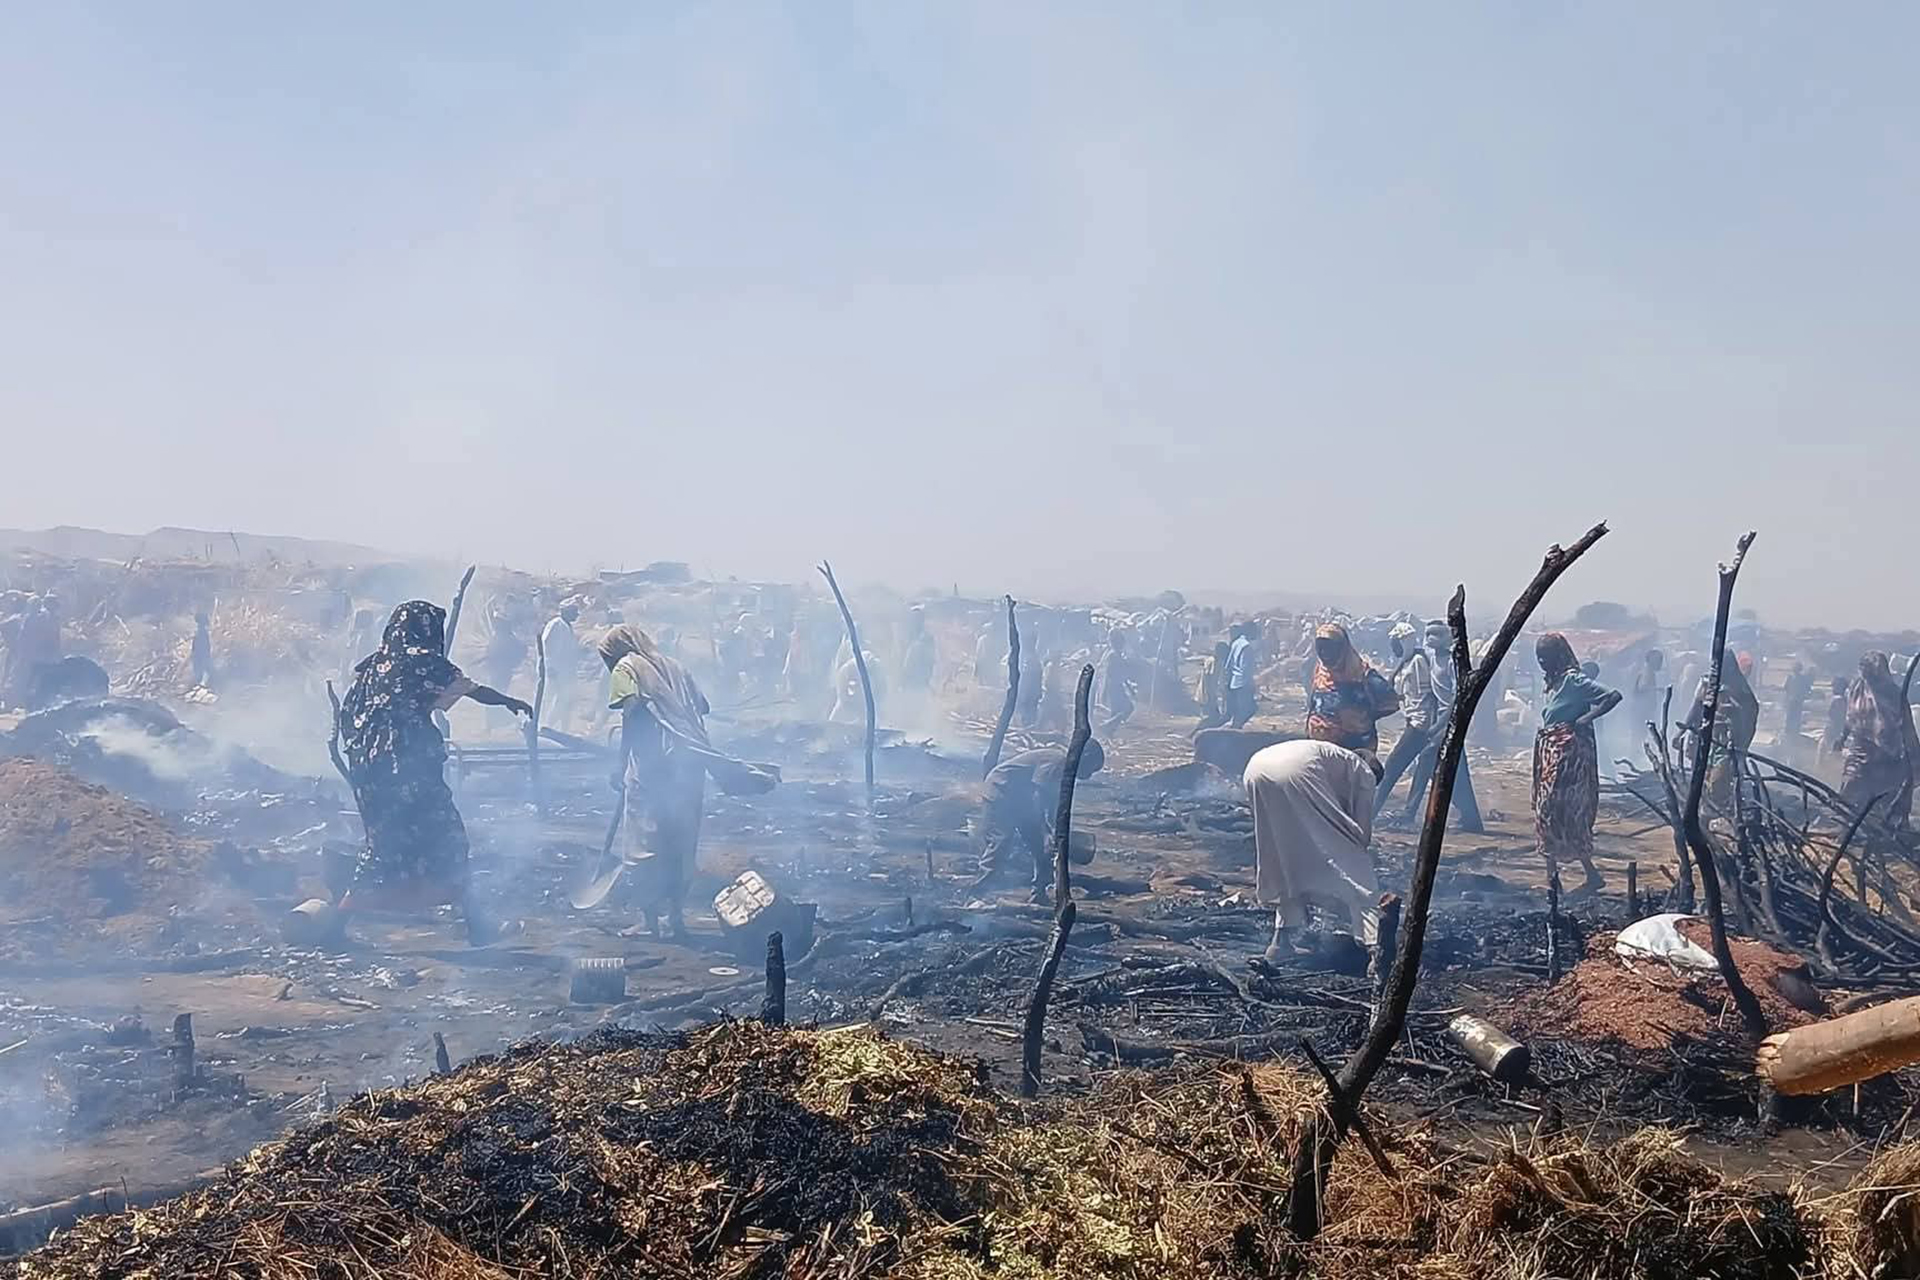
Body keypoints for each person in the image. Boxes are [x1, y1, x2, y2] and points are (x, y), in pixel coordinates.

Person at [336, 602, 531, 943]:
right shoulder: (421, 661)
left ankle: (335, 923)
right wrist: (510, 702)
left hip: (370, 774)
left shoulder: (370, 667)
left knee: (384, 844)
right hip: (410, 771)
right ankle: (479, 928)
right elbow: (471, 689)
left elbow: (348, 717)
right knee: (448, 838)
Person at [599, 624, 718, 938]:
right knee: (680, 840)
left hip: (653, 768)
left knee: (644, 844)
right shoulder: (675, 666)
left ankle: (649, 921)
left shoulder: (627, 667)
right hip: (690, 763)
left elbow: (631, 713)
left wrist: (619, 763)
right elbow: (703, 705)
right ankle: (676, 917)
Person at [1244, 739, 1384, 963]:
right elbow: (1360, 835)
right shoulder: (1365, 771)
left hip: (1255, 768)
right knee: (1356, 865)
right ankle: (1374, 946)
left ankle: (1280, 944)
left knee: (1284, 857)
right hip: (1296, 771)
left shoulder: (1334, 759)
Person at [1531, 632, 1621, 895]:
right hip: (1551, 751)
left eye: (1546, 657)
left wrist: (1585, 719)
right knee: (1544, 809)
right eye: (1539, 658)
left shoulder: (1574, 680)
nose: (1542, 662)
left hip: (1570, 757)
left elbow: (1612, 696)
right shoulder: (1553, 682)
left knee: (1565, 810)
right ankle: (1554, 877)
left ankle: (1582, 875)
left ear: (1558, 656)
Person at [973, 740, 1106, 903]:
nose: (1089, 774)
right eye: (1091, 768)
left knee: (1041, 849)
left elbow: (1051, 803)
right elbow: (1038, 797)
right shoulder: (1057, 762)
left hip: (1021, 801)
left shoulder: (1064, 772)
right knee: (1001, 842)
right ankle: (977, 893)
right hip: (1000, 793)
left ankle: (1039, 894)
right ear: (1083, 757)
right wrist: (1045, 833)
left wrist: (1053, 832)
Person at [1404, 619, 1486, 832]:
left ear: (1447, 638)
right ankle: (1471, 819)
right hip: (1439, 720)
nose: (1432, 638)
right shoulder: (1431, 657)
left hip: (1451, 721)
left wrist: (1440, 725)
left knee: (1425, 760)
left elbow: (1456, 698)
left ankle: (1409, 812)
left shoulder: (1452, 662)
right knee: (1458, 772)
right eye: (1429, 633)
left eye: (1437, 634)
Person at [1835, 651, 1919, 828]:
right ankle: (1845, 826)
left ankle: (1885, 831)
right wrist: (1842, 738)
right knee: (1851, 785)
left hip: (1888, 752)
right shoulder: (1857, 688)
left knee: (1887, 793)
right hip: (1860, 748)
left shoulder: (1893, 693)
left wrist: (1913, 753)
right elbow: (1850, 717)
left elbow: (1906, 725)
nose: (1867, 675)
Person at [1372, 623, 1435, 818]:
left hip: (1420, 723)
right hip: (1415, 721)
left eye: (1396, 642)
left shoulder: (1417, 662)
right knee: (1426, 771)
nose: (1394, 647)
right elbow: (1407, 694)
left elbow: (1426, 694)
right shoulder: (1408, 661)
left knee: (1392, 766)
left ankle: (1371, 812)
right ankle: (1408, 813)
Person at [1305, 623, 1399, 753]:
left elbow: (1391, 702)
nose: (1324, 652)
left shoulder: (1363, 675)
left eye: (1329, 648)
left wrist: (1360, 718)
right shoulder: (1320, 672)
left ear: (1342, 648)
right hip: (1321, 749)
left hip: (1356, 748)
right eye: (1320, 647)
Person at [0, 594, 62, 710]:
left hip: (37, 656)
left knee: (23, 678)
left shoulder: (46, 618)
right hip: (33, 656)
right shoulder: (40, 618)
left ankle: (18, 703)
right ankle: (12, 703)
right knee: (20, 678)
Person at [538, 601, 582, 731]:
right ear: (566, 611)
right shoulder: (556, 624)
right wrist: (549, 666)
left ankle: (560, 727)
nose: (577, 615)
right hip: (555, 670)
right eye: (574, 612)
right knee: (551, 697)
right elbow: (546, 646)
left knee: (565, 698)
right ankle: (545, 725)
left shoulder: (566, 626)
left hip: (566, 670)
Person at [1100, 629, 1137, 731]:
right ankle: (1107, 728)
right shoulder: (1112, 656)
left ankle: (1109, 728)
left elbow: (1122, 676)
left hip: (1117, 687)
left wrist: (1130, 689)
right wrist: (1105, 690)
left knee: (1123, 709)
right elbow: (1109, 675)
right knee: (1124, 708)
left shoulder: (1117, 656)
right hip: (1114, 687)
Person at [1226, 622, 1260, 727]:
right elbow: (1246, 669)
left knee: (1239, 711)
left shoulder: (1236, 643)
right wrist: (1252, 685)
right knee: (1248, 709)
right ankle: (1234, 729)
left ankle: (1235, 728)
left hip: (1234, 683)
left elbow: (1228, 664)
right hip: (1243, 684)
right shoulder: (1247, 646)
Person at [1781, 662, 1813, 763]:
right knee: (1794, 717)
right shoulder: (1795, 678)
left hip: (1795, 701)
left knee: (1793, 717)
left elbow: (1786, 689)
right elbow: (1787, 688)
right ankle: (1791, 731)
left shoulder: (1795, 678)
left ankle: (1791, 731)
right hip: (1795, 701)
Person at [1822, 676, 1852, 764]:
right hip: (1839, 727)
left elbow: (1830, 713)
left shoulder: (1836, 700)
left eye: (1834, 686)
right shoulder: (1846, 700)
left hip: (1832, 727)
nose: (1832, 689)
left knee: (1826, 747)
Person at [190, 610, 214, 689]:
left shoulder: (201, 632)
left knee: (201, 669)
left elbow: (203, 645)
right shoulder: (202, 632)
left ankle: (201, 685)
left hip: (200, 654)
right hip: (201, 654)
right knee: (202, 669)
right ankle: (201, 684)